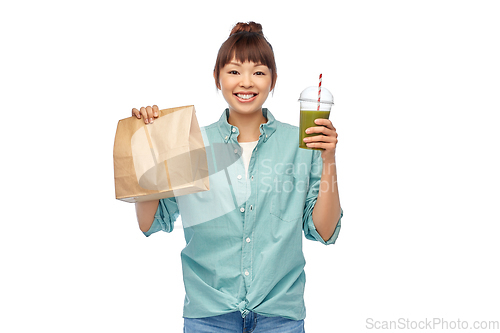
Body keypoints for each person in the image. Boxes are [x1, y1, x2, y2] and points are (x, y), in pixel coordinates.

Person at [131, 21, 342, 333]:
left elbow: (324, 231)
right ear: (217, 78)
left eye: (258, 71)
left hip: (279, 317)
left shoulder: (302, 145)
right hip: (209, 316)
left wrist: (328, 159)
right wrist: (146, 145)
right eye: (233, 71)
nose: (246, 82)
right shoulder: (191, 144)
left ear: (273, 81)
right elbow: (150, 221)